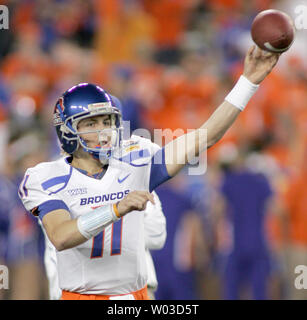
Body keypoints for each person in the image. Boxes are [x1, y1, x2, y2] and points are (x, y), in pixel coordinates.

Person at [18, 46, 280, 300]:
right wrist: (117, 208)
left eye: (107, 121)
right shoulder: (45, 176)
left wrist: (248, 82)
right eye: (91, 123)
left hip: (136, 295)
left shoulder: (134, 158)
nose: (103, 131)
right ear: (67, 131)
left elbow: (205, 137)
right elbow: (61, 236)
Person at [43, 191, 166, 300]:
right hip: (133, 290)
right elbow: (156, 236)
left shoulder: (54, 185)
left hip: (73, 292)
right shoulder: (135, 177)